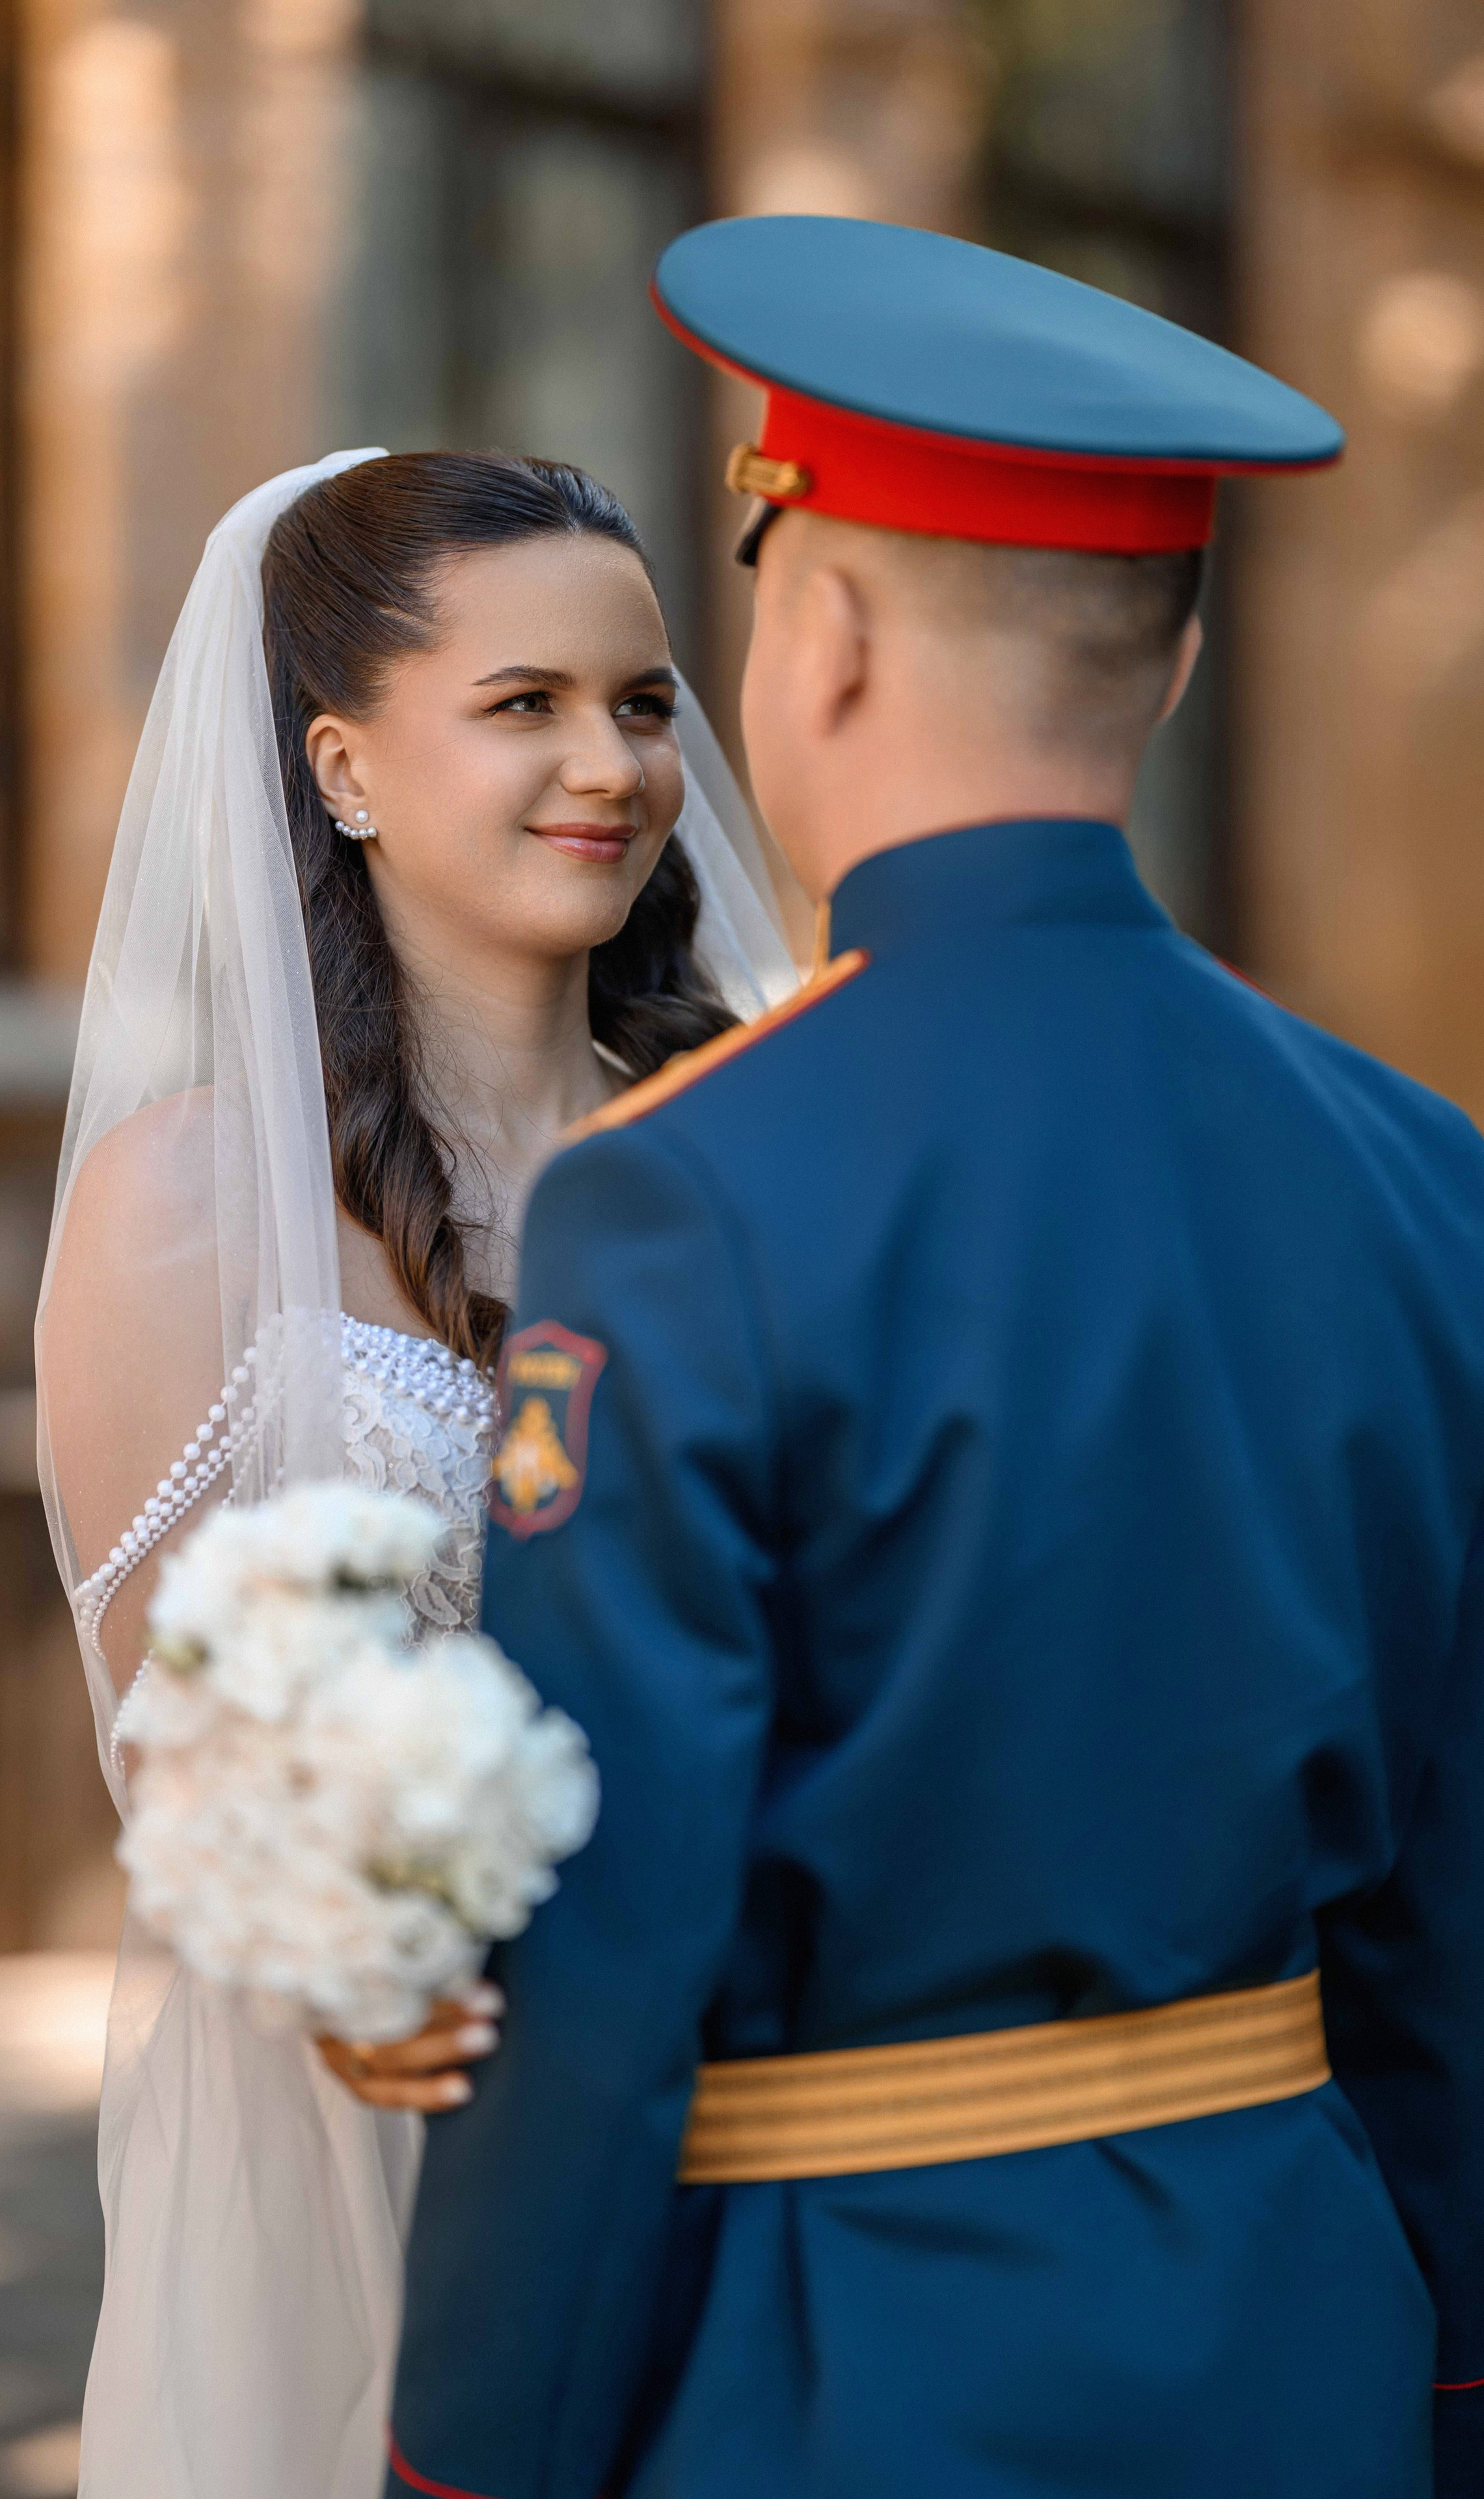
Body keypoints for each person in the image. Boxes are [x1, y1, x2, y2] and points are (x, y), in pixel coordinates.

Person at [387, 219, 1484, 2499]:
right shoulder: (1423, 1172)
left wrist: (472, 2460)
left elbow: (612, 1953)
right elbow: (1454, 1906)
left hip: (856, 2369)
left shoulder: (690, 1193)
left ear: (835, 630)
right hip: (1313, 2342)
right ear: (1165, 671)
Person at [34, 445, 793, 2499]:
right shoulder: (187, 1205)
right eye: (523, 705)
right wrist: (354, 1948)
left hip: (760, 2108)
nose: (612, 767)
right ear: (345, 766)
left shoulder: (770, 1143)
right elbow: (177, 1743)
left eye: (643, 704)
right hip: (362, 2115)